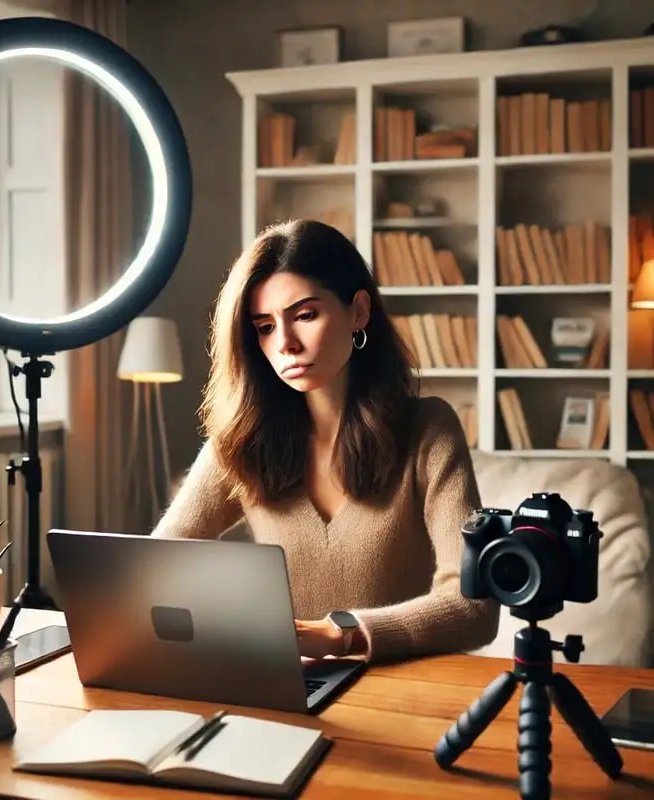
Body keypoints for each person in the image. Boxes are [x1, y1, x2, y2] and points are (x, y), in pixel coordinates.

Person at [150, 218, 499, 664]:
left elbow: (475, 607)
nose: (286, 344)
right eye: (264, 326)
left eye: (305, 315)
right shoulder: (241, 439)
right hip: (281, 691)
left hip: (398, 695)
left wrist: (344, 635)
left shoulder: (428, 429)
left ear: (358, 311)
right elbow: (158, 567)